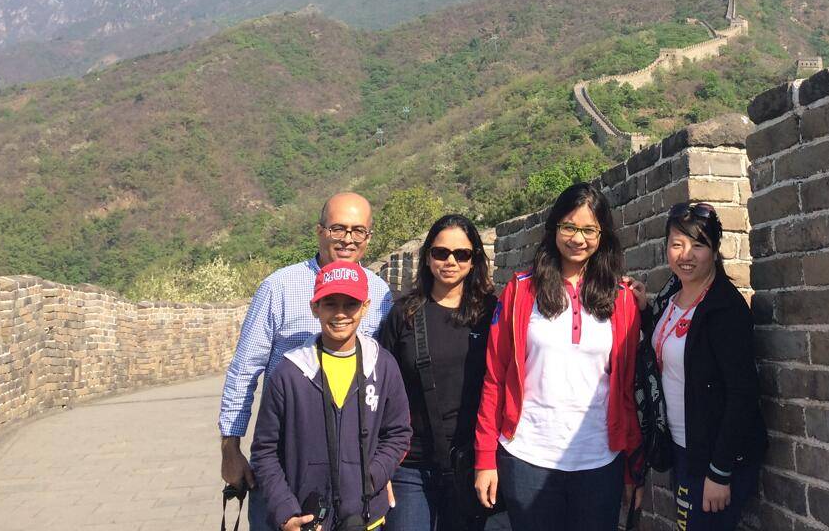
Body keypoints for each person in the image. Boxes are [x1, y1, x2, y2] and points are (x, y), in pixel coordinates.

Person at [219, 192, 394, 529]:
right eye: (338, 228)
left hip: (353, 466)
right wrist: (230, 447)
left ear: (369, 237)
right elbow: (244, 370)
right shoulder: (279, 287)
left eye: (359, 231)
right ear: (319, 231)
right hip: (286, 461)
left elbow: (384, 388)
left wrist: (379, 469)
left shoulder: (380, 294)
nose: (348, 239)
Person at [473, 183, 642, 531]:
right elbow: (495, 377)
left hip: (599, 458)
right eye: (569, 227)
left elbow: (624, 388)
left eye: (589, 230)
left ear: (603, 235)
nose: (578, 238)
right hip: (528, 455)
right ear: (554, 229)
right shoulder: (521, 292)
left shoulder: (622, 298)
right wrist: (485, 457)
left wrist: (631, 466)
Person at [634, 202, 766, 531]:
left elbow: (743, 393)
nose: (686, 254)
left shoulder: (724, 308)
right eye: (677, 244)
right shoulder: (672, 295)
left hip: (715, 458)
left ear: (715, 248)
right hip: (683, 448)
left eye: (698, 244)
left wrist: (719, 472)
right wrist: (644, 310)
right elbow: (672, 347)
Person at [251, 261, 413, 530]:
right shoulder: (289, 374)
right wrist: (285, 509)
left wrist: (371, 478)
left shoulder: (382, 366)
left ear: (365, 307)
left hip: (367, 517)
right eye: (330, 304)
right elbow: (264, 451)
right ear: (315, 308)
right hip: (307, 518)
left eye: (350, 304)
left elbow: (398, 433)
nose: (340, 314)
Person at [378, 214, 498, 531]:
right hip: (409, 464)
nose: (450, 261)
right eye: (441, 252)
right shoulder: (404, 314)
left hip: (467, 462)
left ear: (474, 261)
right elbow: (378, 389)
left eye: (462, 254)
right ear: (428, 256)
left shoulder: (489, 314)